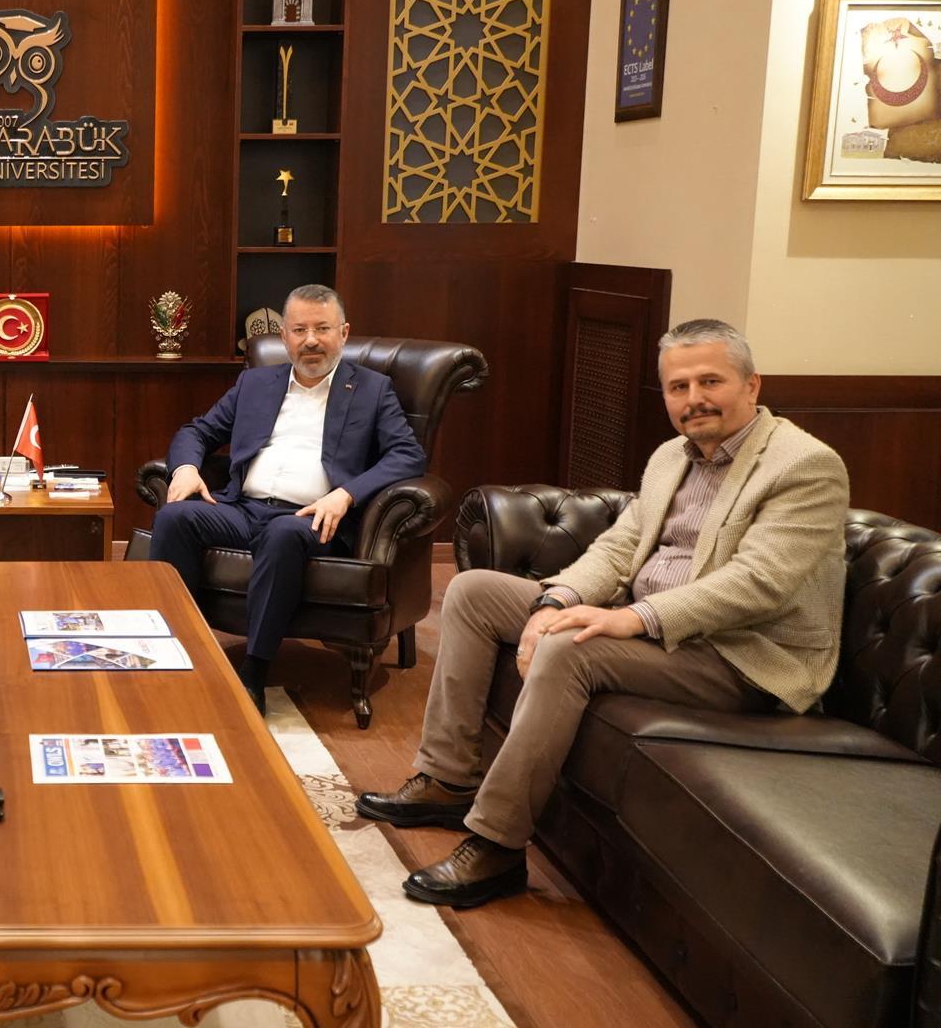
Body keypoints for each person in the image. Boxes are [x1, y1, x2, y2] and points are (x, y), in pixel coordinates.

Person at [356, 319, 849, 909]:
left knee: (570, 650)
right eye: (678, 387)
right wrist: (557, 600)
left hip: (741, 654)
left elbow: (758, 583)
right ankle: (447, 778)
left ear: (752, 384)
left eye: (710, 381)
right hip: (650, 625)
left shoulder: (804, 466)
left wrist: (633, 618)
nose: (694, 399)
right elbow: (620, 547)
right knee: (473, 592)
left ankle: (497, 844)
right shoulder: (671, 456)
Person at [149, 284, 426, 712]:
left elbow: (407, 454)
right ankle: (172, 648)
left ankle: (254, 674)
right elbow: (197, 431)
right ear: (284, 337)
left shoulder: (372, 389)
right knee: (175, 517)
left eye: (322, 329)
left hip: (310, 519)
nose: (311, 340)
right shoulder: (255, 382)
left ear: (343, 333)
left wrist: (346, 495)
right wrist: (185, 468)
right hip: (242, 509)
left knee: (282, 535)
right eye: (299, 330)